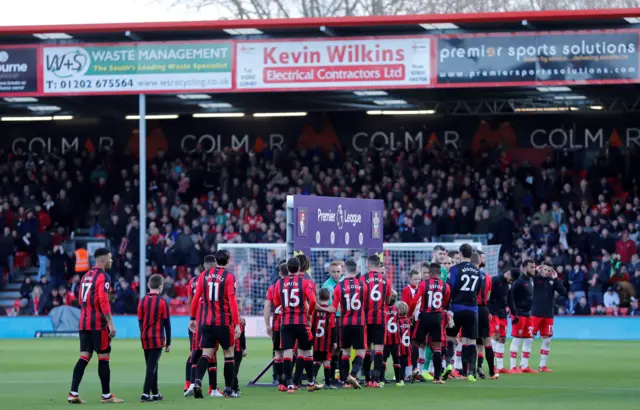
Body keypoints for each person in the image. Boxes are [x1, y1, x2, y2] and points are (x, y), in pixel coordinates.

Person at [67, 247, 123, 404]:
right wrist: (111, 324)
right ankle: (106, 396)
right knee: (104, 357)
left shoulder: (85, 276)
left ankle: (73, 393)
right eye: (110, 258)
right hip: (98, 324)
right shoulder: (103, 277)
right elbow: (103, 300)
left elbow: (80, 299)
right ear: (103, 260)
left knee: (84, 356)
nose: (111, 260)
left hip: (83, 323)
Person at [188, 249, 241, 399]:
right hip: (223, 323)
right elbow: (232, 301)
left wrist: (192, 318)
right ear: (228, 261)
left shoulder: (203, 275)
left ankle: (197, 382)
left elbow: (196, 297)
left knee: (206, 354)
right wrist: (236, 323)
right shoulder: (229, 277)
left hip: (206, 322)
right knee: (228, 354)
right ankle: (229, 390)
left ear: (216, 261)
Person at [271, 257, 317, 394]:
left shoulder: (279, 283)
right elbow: (313, 300)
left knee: (287, 353)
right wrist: (309, 314)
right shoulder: (304, 282)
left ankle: (289, 385)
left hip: (285, 323)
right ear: (299, 268)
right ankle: (310, 382)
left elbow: (276, 301)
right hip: (301, 322)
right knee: (307, 351)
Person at [445, 243, 484, 382]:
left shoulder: (455, 269)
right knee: (470, 341)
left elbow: (450, 288)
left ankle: (448, 366)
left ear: (461, 254)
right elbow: (479, 289)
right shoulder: (477, 270)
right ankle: (470, 373)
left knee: (450, 337)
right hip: (472, 309)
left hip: (456, 308)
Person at [184, 255, 220, 397]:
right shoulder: (214, 279)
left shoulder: (193, 281)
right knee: (211, 354)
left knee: (195, 352)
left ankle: (191, 384)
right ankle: (213, 389)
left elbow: (190, 301)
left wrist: (191, 317)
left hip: (196, 322)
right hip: (210, 320)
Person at [410, 262, 450, 384]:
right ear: (440, 273)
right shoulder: (446, 286)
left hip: (424, 316)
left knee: (416, 342)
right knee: (437, 347)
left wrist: (411, 314)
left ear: (431, 272)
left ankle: (415, 369)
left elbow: (414, 300)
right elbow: (445, 303)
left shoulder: (423, 284)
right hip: (437, 317)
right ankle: (437, 377)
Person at [332, 257, 368, 389]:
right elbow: (366, 304)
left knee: (345, 352)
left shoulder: (338, 287)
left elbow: (334, 309)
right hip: (359, 322)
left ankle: (346, 382)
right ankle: (352, 375)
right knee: (361, 352)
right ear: (357, 270)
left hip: (344, 323)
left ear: (344, 270)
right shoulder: (363, 285)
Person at [137, 274, 171, 402]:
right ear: (161, 287)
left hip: (145, 337)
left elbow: (139, 321)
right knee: (151, 366)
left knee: (152, 365)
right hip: (157, 338)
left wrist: (143, 333)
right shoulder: (162, 302)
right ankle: (145, 393)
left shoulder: (142, 301)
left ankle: (155, 393)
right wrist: (169, 342)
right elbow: (167, 324)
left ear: (148, 285)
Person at [361, 254, 391, 387]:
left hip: (366, 319)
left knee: (367, 350)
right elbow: (388, 300)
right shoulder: (386, 281)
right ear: (379, 266)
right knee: (379, 349)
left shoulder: (362, 279)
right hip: (380, 318)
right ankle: (376, 380)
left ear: (368, 265)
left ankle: (367, 379)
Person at [531, 262, 567, 372]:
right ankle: (524, 365)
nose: (547, 272)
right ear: (541, 269)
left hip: (548, 315)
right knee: (529, 339)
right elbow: (529, 277)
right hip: (536, 314)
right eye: (545, 270)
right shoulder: (536, 279)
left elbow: (563, 292)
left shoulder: (553, 281)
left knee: (547, 340)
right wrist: (536, 271)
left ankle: (542, 366)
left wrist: (556, 279)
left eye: (549, 270)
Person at [488, 268, 520, 374]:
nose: (511, 281)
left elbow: (510, 300)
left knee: (502, 339)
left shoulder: (508, 285)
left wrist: (515, 314)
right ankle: (492, 366)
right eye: (512, 279)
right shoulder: (495, 280)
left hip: (502, 314)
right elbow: (487, 296)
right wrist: (487, 311)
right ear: (508, 273)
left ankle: (500, 366)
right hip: (493, 313)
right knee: (495, 337)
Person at [508, 260, 536, 374]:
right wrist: (512, 313)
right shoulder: (518, 282)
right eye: (531, 267)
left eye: (534, 267)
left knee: (529, 339)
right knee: (516, 339)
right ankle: (512, 367)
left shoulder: (530, 280)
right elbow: (510, 297)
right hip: (519, 315)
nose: (534, 269)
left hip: (528, 315)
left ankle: (524, 366)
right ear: (524, 268)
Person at [265, 262, 287, 391]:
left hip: (278, 323)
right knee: (291, 352)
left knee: (278, 353)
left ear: (279, 273)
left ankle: (280, 381)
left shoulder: (273, 287)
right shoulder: (300, 284)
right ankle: (291, 380)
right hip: (293, 322)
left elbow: (267, 306)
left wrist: (267, 324)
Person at [321, 260, 343, 386]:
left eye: (338, 272)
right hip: (332, 320)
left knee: (343, 349)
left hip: (344, 319)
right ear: (329, 272)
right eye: (333, 272)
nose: (336, 274)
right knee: (333, 349)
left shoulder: (346, 282)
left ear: (342, 271)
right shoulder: (326, 285)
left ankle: (341, 376)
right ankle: (332, 377)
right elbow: (326, 304)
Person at [473, 252, 494, 380]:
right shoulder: (487, 277)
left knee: (470, 341)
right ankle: (491, 371)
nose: (484, 259)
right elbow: (488, 297)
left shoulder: (469, 275)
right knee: (485, 341)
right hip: (483, 310)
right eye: (483, 257)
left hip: (472, 309)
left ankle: (470, 371)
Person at [311, 288, 336, 389]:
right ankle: (328, 383)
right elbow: (333, 328)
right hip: (327, 341)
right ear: (330, 297)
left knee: (317, 361)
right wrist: (334, 341)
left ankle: (312, 379)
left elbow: (312, 326)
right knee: (327, 362)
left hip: (317, 341)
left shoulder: (315, 311)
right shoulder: (330, 311)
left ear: (318, 297)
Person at [401, 269, 421, 379]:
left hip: (419, 321)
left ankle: (416, 370)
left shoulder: (421, 289)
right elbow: (405, 305)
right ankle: (408, 371)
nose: (417, 281)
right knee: (409, 346)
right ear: (410, 279)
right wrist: (408, 318)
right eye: (415, 279)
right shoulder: (407, 290)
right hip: (410, 321)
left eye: (419, 279)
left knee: (417, 345)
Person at [383, 290, 400, 384]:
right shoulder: (397, 310)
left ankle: (381, 379)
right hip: (395, 338)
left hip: (385, 339)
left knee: (383, 359)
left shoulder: (383, 309)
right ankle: (398, 380)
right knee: (396, 359)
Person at [232, 304, 247, 397]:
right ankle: (234, 388)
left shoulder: (231, 319)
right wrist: (244, 349)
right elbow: (242, 337)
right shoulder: (239, 322)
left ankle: (233, 387)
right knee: (234, 370)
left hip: (230, 348)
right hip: (237, 350)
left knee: (233, 369)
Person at [396, 302, 412, 385]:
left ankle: (398, 378)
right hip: (407, 345)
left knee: (398, 362)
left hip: (399, 345)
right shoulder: (408, 321)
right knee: (404, 362)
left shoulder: (397, 321)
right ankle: (402, 378)